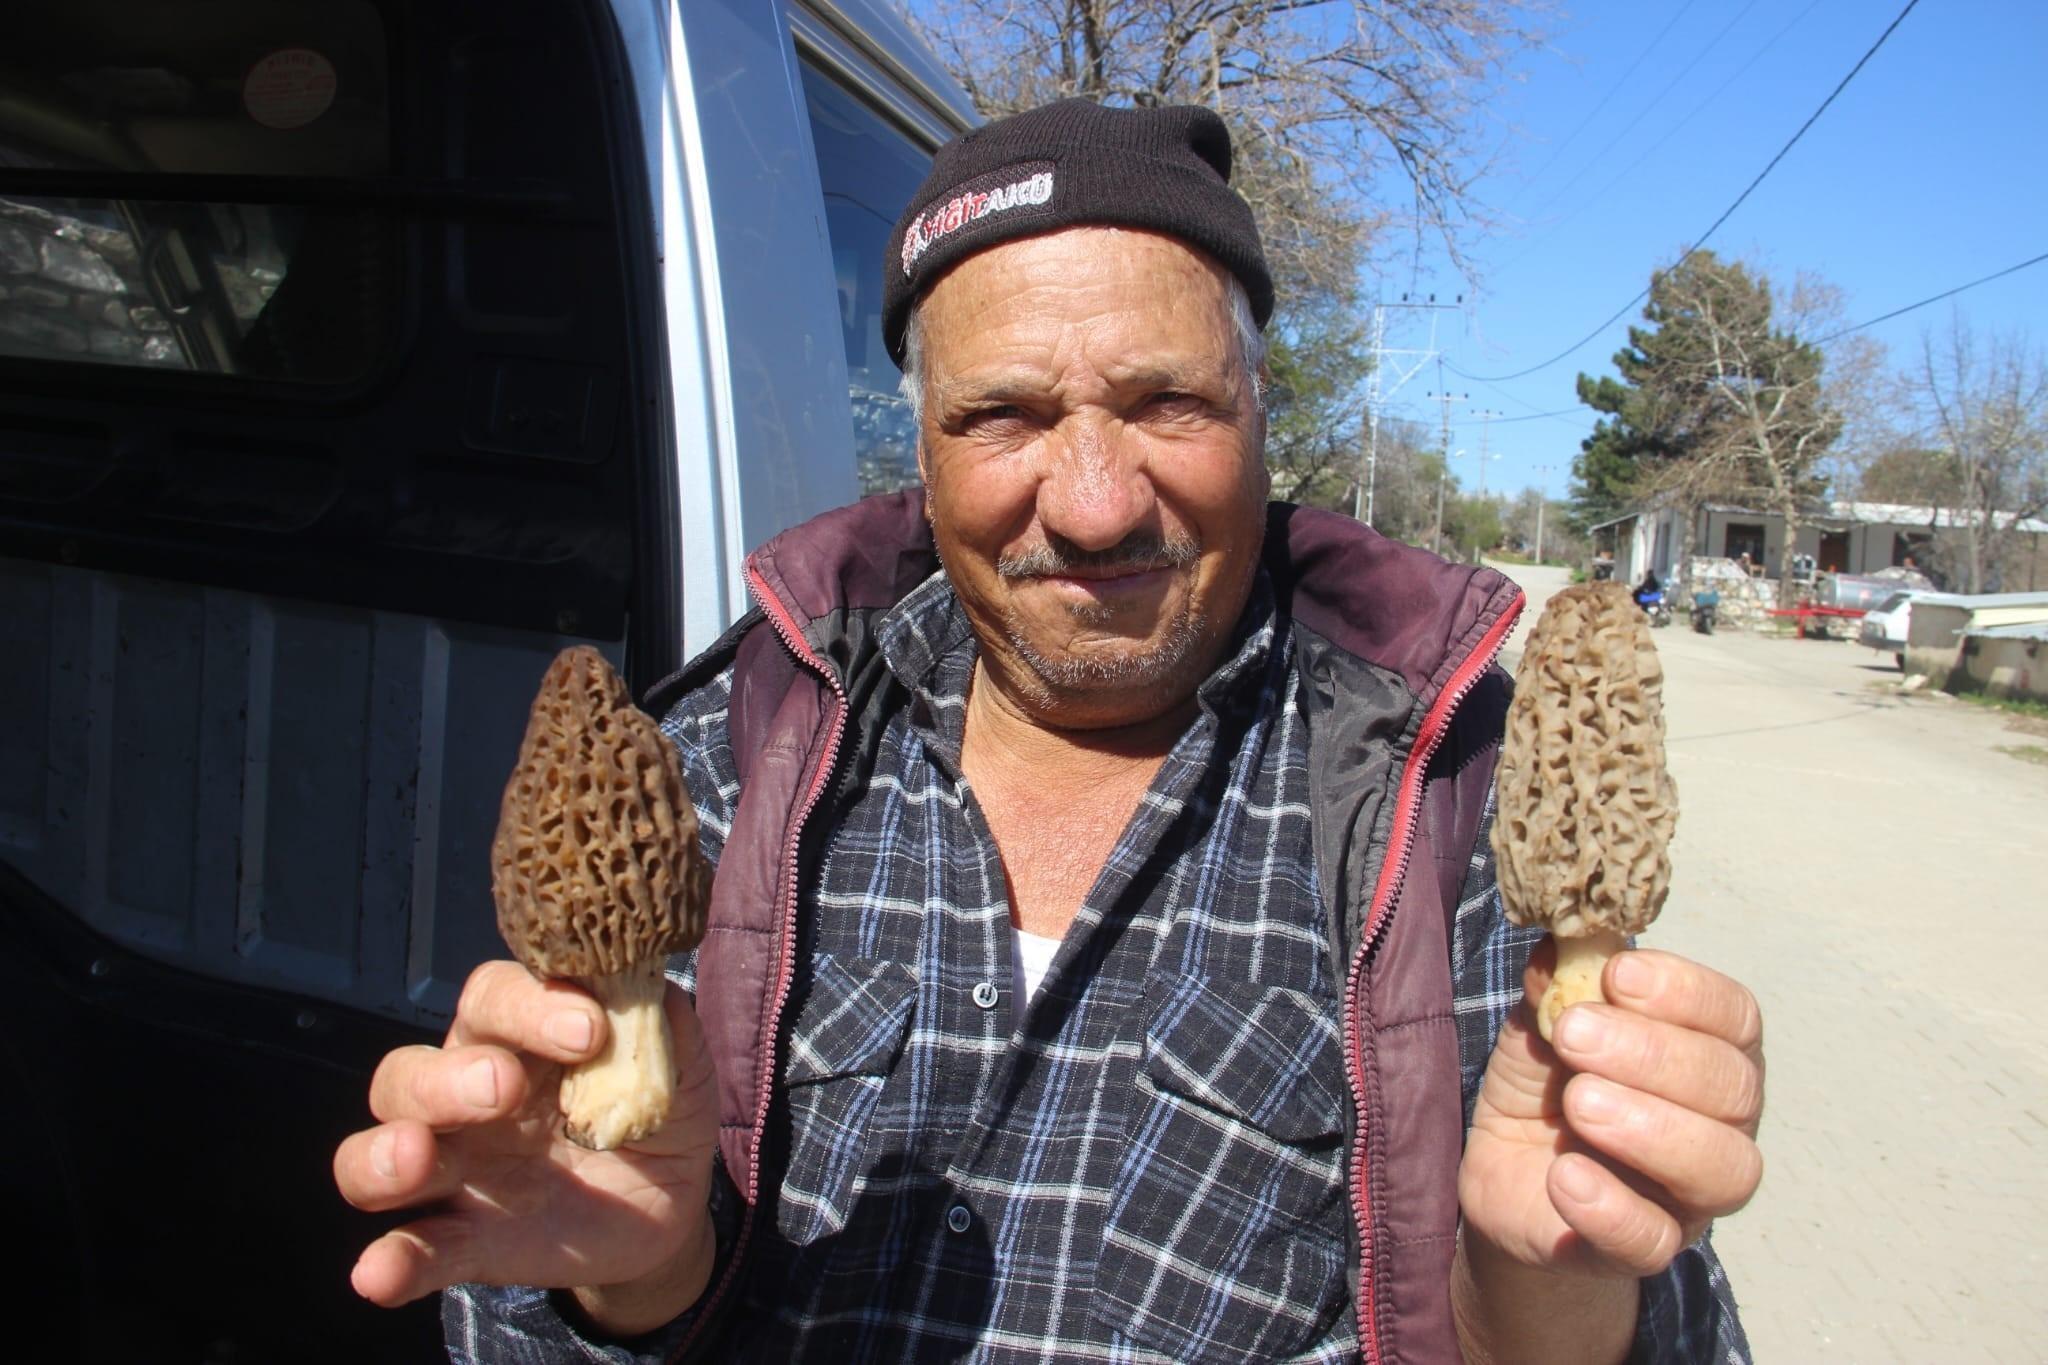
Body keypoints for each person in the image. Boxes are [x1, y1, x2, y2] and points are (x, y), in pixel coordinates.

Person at [334, 100, 1764, 1363]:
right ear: (921, 448)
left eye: (1167, 401)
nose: (1091, 505)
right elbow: (541, 1309)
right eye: (1004, 416)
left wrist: (1545, 1282)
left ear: (1263, 412)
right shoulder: (734, 752)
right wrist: (636, 1285)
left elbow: (1606, 1318)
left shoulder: (1439, 796)